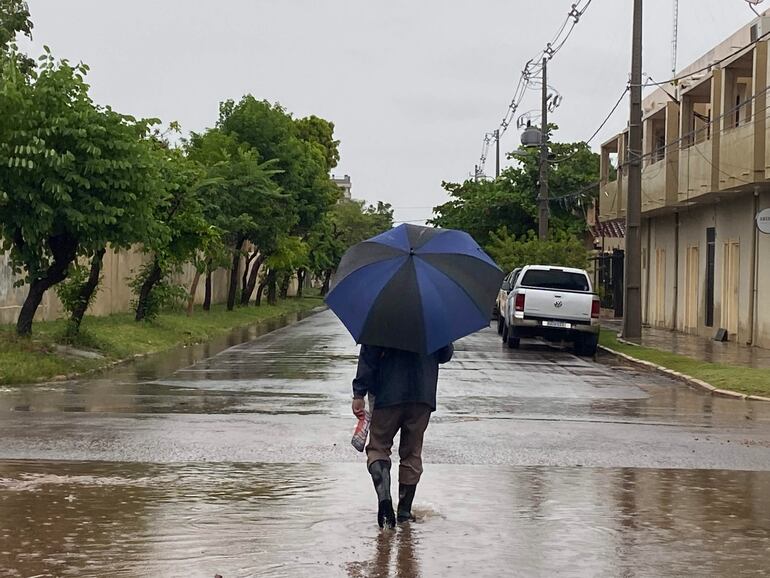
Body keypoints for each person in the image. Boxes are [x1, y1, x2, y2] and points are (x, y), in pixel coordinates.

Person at [351, 342, 454, 528]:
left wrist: (359, 393)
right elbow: (445, 354)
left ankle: (384, 499)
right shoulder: (431, 318)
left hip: (386, 394)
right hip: (422, 395)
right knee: (412, 453)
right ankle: (404, 514)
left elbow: (369, 355)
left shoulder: (380, 317)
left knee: (378, 448)